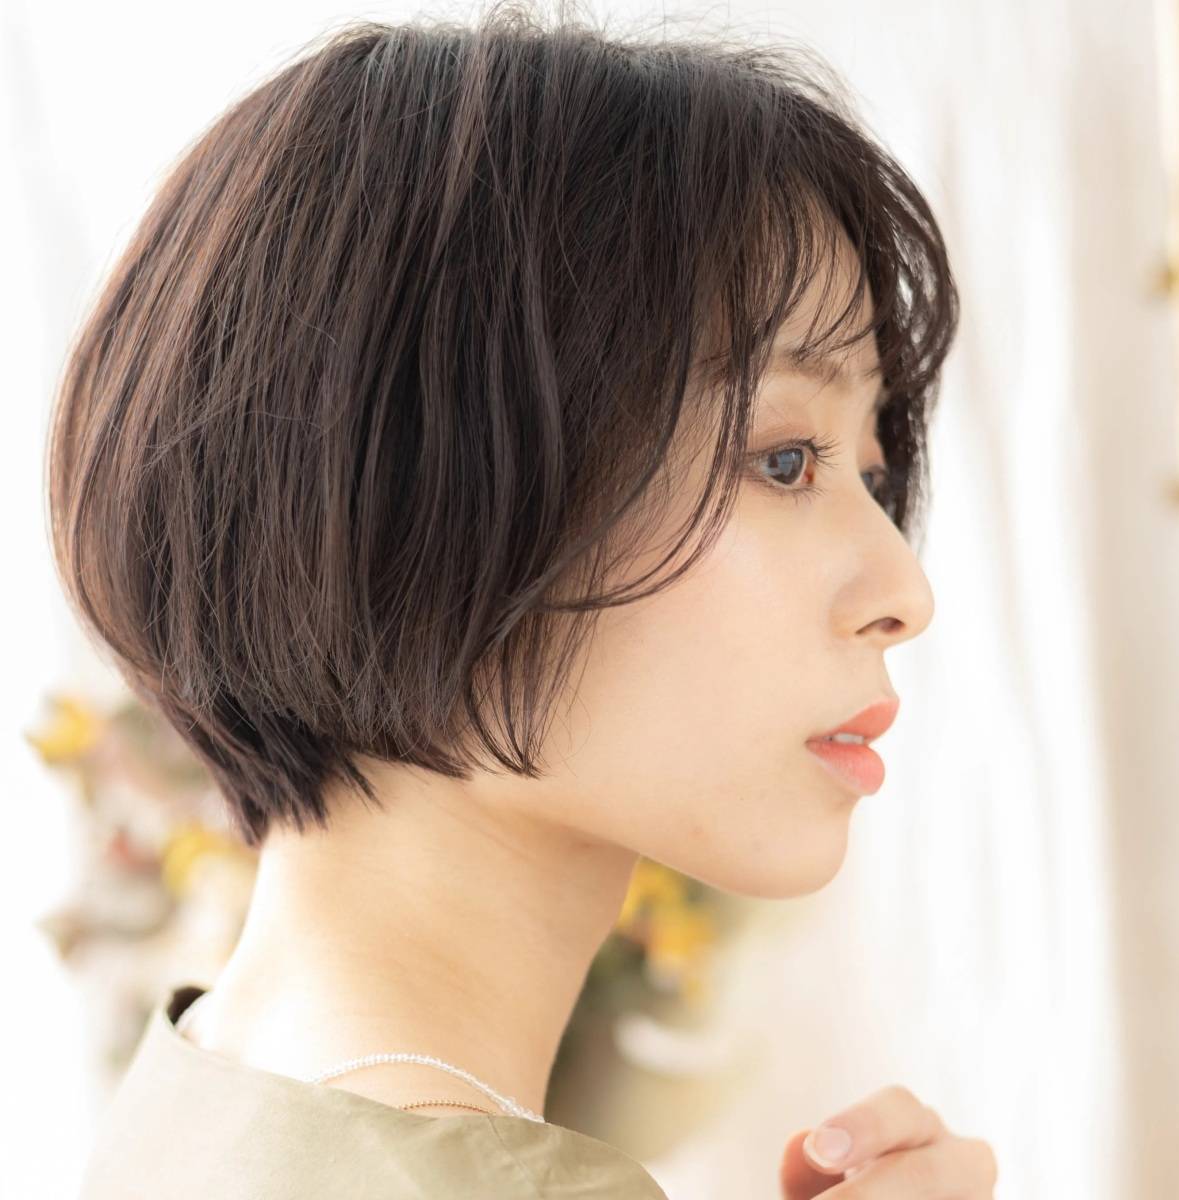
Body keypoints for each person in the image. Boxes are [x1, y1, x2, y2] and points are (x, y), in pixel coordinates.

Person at [51, 4, 998, 1196]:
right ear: (425, 481)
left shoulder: (202, 1095)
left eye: (872, 472)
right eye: (782, 460)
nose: (903, 591)